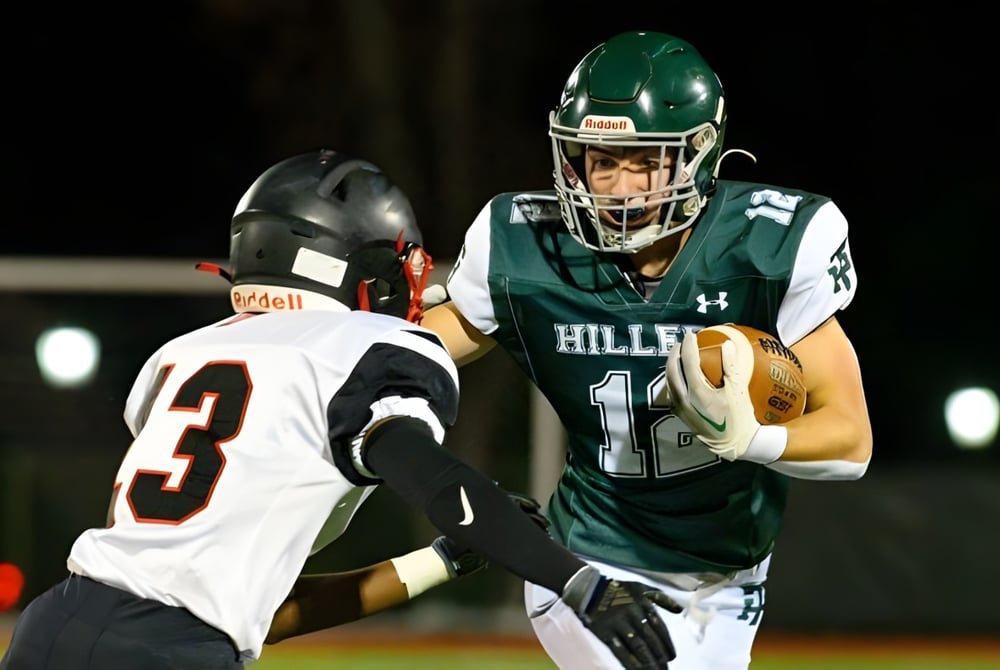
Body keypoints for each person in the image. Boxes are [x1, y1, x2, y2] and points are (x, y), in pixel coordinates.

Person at [0, 149, 680, 670]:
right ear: (363, 268)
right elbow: (439, 482)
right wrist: (581, 582)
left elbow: (248, 607)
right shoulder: (358, 346)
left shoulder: (180, 358)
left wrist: (440, 562)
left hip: (51, 626)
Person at [420, 30, 873, 670]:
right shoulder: (525, 248)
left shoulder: (766, 246)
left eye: (643, 161)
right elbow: (418, 347)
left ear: (696, 155)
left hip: (727, 572)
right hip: (590, 551)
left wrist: (749, 440)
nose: (619, 187)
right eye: (602, 161)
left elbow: (851, 439)